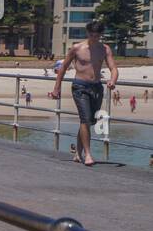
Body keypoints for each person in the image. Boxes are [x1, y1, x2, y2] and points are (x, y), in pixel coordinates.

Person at [49, 19, 118, 166]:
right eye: (92, 34)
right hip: (80, 86)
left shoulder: (104, 49)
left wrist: (113, 80)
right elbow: (63, 68)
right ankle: (88, 154)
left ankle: (78, 154)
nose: (94, 37)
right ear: (88, 33)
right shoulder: (77, 48)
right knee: (85, 119)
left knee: (88, 121)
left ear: (101, 35)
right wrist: (56, 88)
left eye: (97, 35)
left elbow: (113, 68)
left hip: (97, 87)